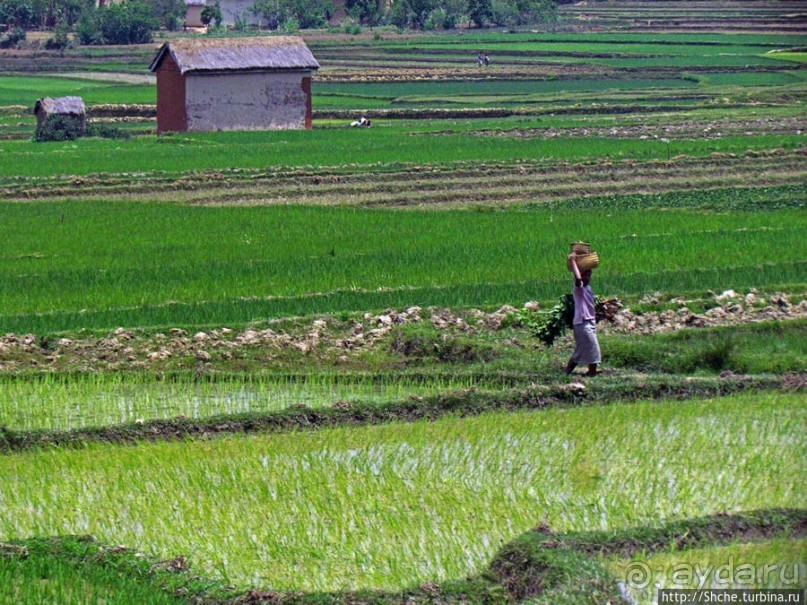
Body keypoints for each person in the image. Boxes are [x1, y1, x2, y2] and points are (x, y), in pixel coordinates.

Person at [565, 253, 601, 377]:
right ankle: (592, 374)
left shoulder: (588, 289)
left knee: (581, 351)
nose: (587, 277)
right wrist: (573, 261)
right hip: (582, 322)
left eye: (589, 275)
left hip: (589, 322)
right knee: (593, 348)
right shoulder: (578, 288)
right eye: (585, 274)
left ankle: (567, 373)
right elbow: (578, 279)